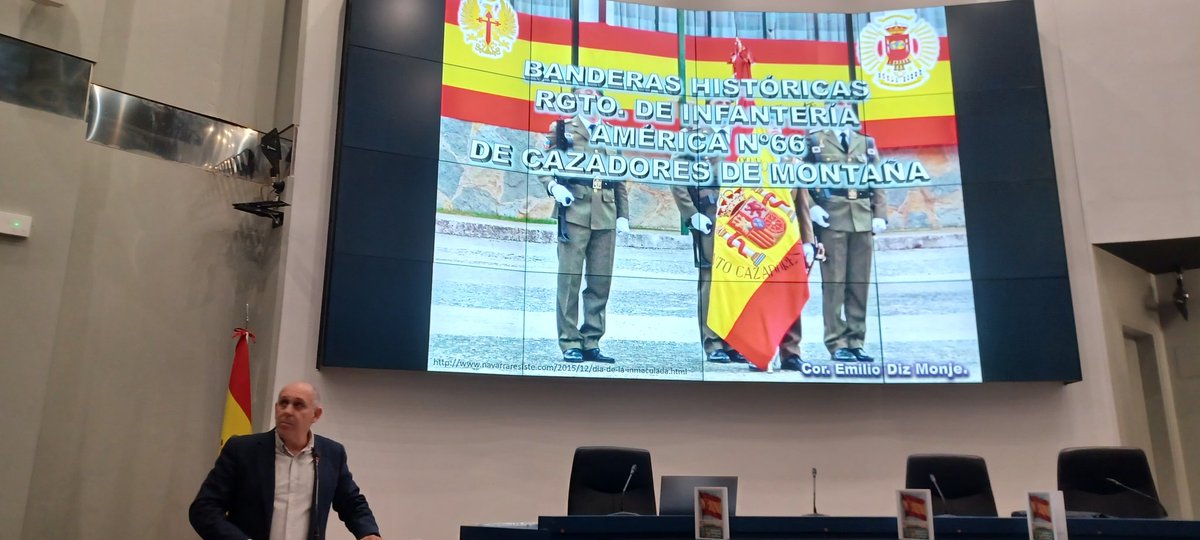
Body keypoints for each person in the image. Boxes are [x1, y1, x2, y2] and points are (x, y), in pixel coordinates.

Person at [189, 381, 382, 540]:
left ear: (316, 414)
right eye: (283, 403)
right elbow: (204, 509)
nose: (288, 411)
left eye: (298, 405)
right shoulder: (242, 450)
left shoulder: (332, 454)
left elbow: (351, 502)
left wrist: (368, 532)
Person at [540, 87, 630, 364]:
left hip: (605, 212)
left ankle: (592, 341)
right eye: (584, 97)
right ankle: (569, 342)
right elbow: (543, 164)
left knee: (600, 281)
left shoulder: (612, 132)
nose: (590, 102)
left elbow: (620, 176)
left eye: (595, 97)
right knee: (569, 280)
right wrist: (553, 186)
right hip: (575, 210)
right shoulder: (563, 129)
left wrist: (623, 214)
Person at [805, 126, 887, 362]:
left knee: (859, 284)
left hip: (862, 218)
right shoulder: (815, 140)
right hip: (832, 218)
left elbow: (876, 179)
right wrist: (812, 208)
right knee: (834, 284)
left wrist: (880, 213)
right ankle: (836, 342)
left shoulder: (866, 142)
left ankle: (856, 341)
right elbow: (801, 179)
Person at [670, 125, 748, 365]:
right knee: (711, 283)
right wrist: (692, 213)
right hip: (712, 217)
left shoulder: (744, 134)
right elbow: (677, 176)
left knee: (738, 284)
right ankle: (713, 342)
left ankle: (735, 343)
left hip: (744, 220)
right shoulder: (694, 134)